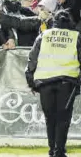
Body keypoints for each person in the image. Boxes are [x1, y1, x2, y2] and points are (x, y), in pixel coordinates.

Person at [26, 11, 81, 157]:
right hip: (67, 83)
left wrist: (31, 82)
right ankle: (59, 151)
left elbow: (32, 59)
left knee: (50, 119)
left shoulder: (43, 36)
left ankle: (52, 150)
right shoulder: (76, 36)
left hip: (45, 83)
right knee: (63, 119)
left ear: (54, 21)